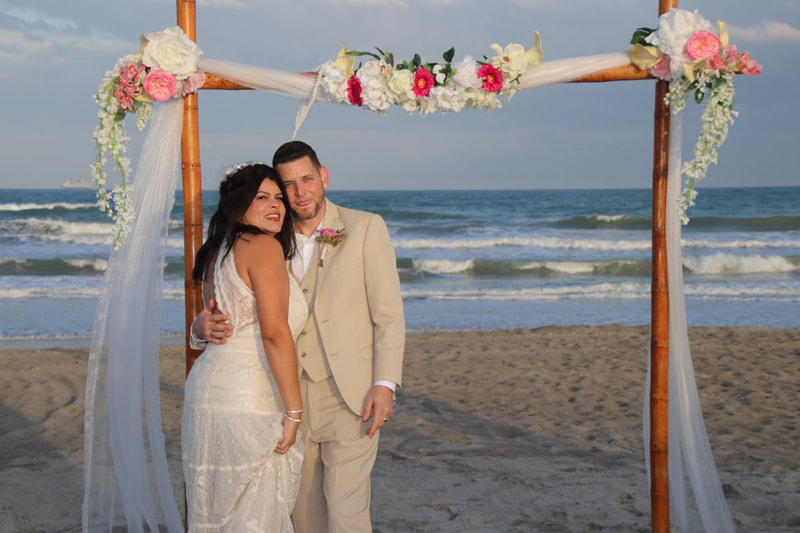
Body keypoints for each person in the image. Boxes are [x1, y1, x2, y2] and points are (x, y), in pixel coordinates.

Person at [192, 141, 405, 533]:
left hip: (350, 395)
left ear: (323, 177)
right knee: (303, 516)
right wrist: (199, 328)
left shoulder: (364, 227)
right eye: (287, 184)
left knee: (346, 514)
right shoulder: (269, 234)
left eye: (307, 179)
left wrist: (384, 383)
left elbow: (388, 315)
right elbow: (228, 307)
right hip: (283, 395)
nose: (298, 192)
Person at [182, 163, 309, 532]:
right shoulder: (265, 247)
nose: (276, 206)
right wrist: (294, 412)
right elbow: (274, 334)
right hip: (246, 399)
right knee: (253, 514)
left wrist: (197, 330)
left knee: (216, 513)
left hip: (206, 393)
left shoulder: (217, 250)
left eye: (279, 198)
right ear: (238, 204)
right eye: (262, 197)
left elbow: (211, 321)